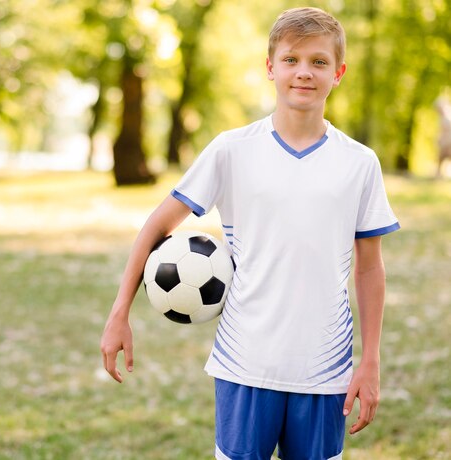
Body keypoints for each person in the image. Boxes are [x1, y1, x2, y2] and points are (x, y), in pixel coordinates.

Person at [100, 7, 400, 460]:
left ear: (338, 73)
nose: (304, 72)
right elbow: (157, 226)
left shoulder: (360, 163)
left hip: (325, 370)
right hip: (244, 364)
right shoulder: (231, 150)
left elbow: (370, 267)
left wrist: (371, 362)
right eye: (291, 60)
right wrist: (120, 310)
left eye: (319, 62)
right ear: (270, 67)